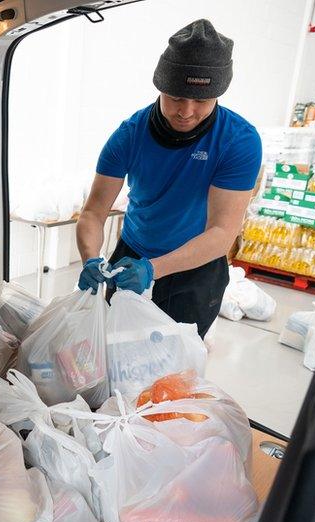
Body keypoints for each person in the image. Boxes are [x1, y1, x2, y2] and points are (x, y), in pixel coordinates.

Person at [76, 19, 263, 337]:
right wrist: (91, 258)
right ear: (161, 87)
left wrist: (154, 269)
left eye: (201, 100)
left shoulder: (238, 141)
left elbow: (222, 231)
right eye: (176, 96)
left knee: (174, 370)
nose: (186, 111)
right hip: (133, 255)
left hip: (196, 266)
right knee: (115, 350)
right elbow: (94, 212)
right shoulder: (129, 135)